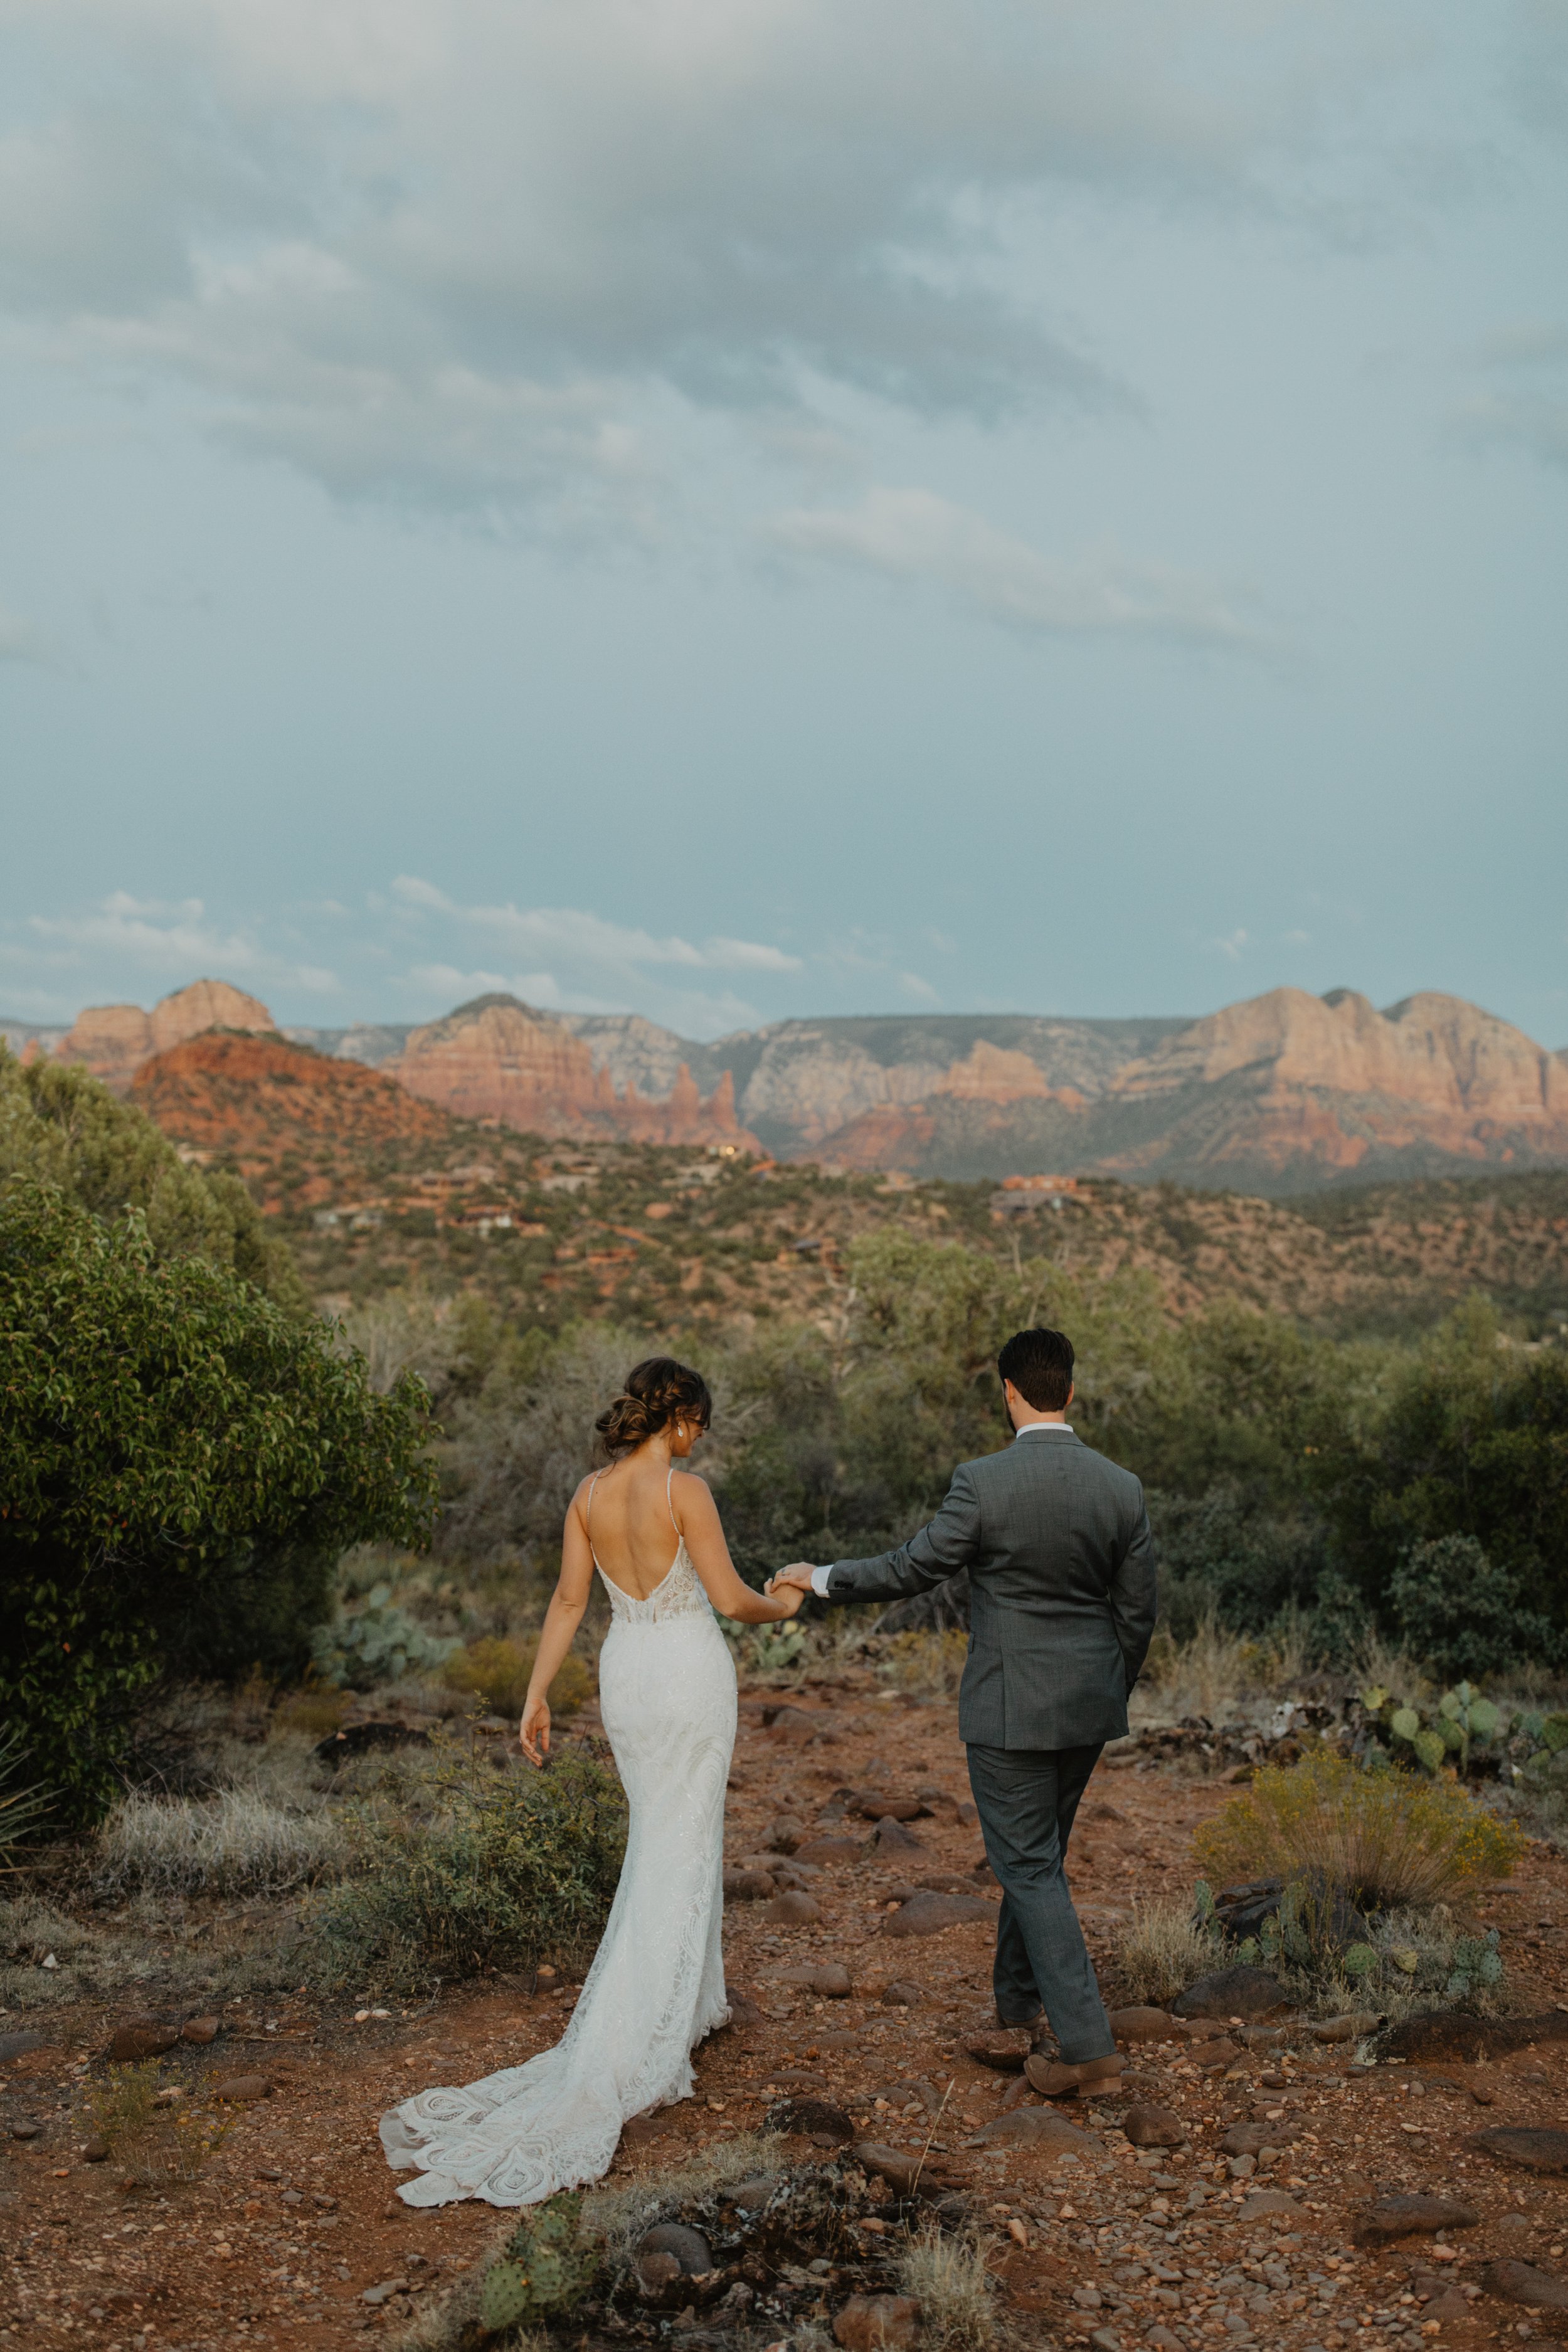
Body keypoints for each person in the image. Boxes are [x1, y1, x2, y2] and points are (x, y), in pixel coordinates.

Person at [380, 1355, 803, 2206]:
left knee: (661, 1836)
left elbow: (570, 1601)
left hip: (626, 1675)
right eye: (700, 1422)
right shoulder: (687, 1493)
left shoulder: (587, 1493)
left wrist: (535, 1692)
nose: (700, 1437)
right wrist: (786, 1599)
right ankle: (644, 2034)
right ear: (679, 1416)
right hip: (686, 1670)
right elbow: (729, 1596)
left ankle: (690, 2004)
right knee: (682, 1841)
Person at [768, 1325, 1155, 2100]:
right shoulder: (1122, 1487)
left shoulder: (982, 1481)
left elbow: (914, 1568)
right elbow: (1136, 1614)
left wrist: (820, 1577)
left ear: (1008, 1394)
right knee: (1037, 1858)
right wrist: (1108, 1686)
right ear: (1069, 1392)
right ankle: (1017, 2008)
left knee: (1029, 1868)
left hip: (1010, 1710)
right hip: (1087, 1706)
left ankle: (1085, 2045)